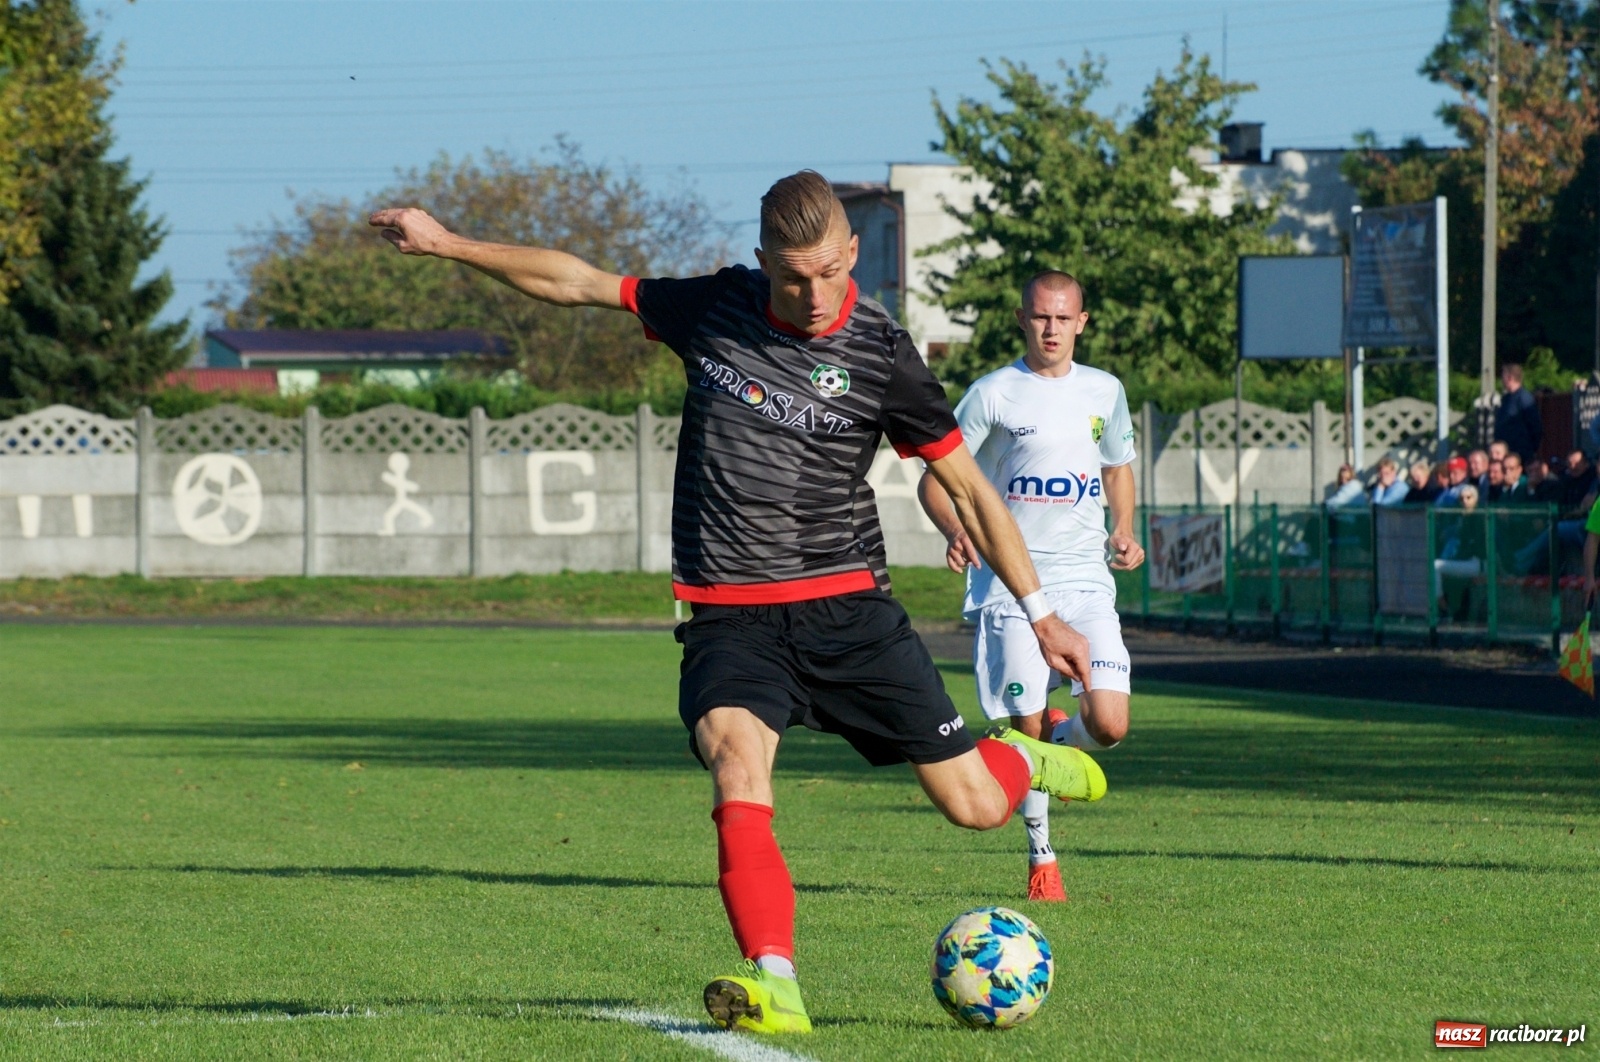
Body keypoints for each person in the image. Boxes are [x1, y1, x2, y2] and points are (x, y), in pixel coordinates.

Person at [370, 172, 1108, 1036]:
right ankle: (775, 982)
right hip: (731, 614)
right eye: (794, 276)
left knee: (977, 807)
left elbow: (971, 491)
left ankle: (1024, 756)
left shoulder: (881, 351)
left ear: (854, 254)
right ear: (764, 264)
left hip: (848, 608)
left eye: (831, 270)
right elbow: (576, 282)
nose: (814, 292)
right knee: (735, 762)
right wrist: (448, 242)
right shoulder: (717, 308)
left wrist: (1040, 611)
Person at [916, 270, 1142, 904]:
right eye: (1041, 316)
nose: (1051, 328)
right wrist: (957, 528)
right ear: (1022, 318)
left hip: (1085, 583)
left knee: (1111, 724)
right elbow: (936, 480)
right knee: (1024, 727)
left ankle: (1056, 736)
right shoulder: (992, 395)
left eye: (1063, 318)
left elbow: (1117, 466)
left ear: (1082, 322)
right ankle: (1042, 855)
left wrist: (1122, 527)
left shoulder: (1105, 391)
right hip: (1012, 588)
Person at [1434, 485, 1485, 617]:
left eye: (1469, 498)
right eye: (1462, 499)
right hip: (1467, 561)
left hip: (1479, 562)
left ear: (1476, 499)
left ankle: (1442, 605)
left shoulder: (1481, 517)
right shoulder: (1462, 519)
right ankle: (1447, 609)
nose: (1465, 501)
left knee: (1435, 566)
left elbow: (1477, 546)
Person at [1494, 363, 1542, 464]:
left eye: (1503, 377)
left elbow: (1535, 427)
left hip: (1521, 455)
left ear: (1509, 377)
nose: (1501, 380)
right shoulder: (1506, 399)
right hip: (1505, 454)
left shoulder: (1524, 399)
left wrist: (1530, 449)